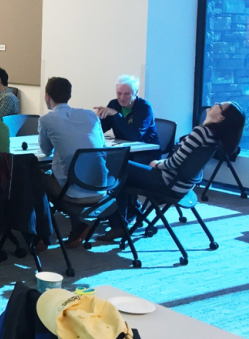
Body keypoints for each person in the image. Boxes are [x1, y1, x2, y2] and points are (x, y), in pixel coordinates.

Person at [100, 101, 245, 242]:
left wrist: (157, 164)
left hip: (167, 182)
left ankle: (117, 222)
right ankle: (127, 215)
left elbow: (175, 162)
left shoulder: (201, 132)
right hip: (182, 185)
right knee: (124, 173)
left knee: (120, 165)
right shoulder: (212, 137)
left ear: (220, 118)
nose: (214, 104)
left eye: (219, 106)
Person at [38, 77, 107, 249]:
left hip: (71, 191)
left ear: (47, 96)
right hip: (101, 187)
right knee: (71, 174)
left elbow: (46, 151)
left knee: (36, 178)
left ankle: (42, 235)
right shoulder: (91, 115)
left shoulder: (47, 120)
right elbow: (103, 147)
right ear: (70, 95)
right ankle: (77, 227)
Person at [94, 75, 159, 147]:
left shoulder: (145, 107)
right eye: (119, 93)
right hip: (123, 148)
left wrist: (116, 114)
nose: (122, 97)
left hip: (146, 151)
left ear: (136, 92)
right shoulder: (114, 104)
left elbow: (134, 136)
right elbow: (102, 128)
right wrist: (95, 119)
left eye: (127, 94)